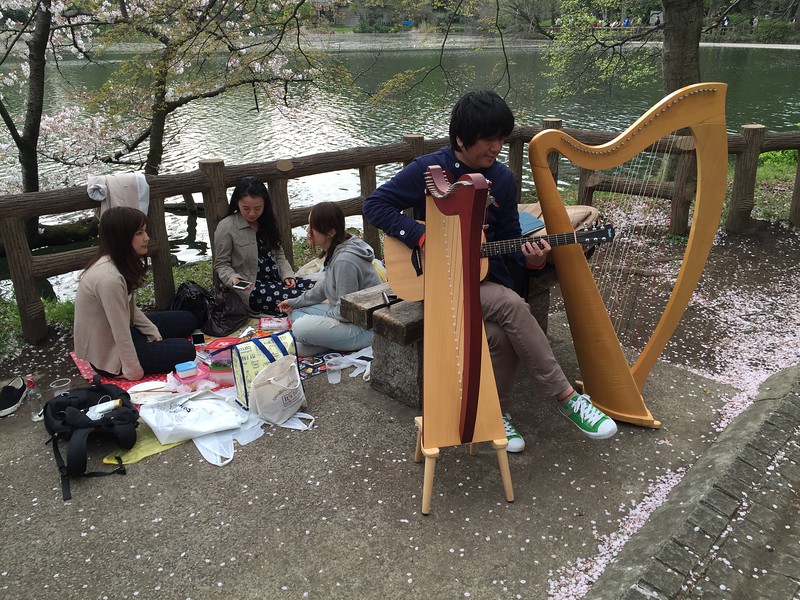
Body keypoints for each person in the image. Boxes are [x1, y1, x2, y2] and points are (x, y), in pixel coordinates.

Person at [362, 90, 617, 453]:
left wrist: (533, 260)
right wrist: (420, 236)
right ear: (461, 138)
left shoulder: (503, 179)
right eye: (488, 138)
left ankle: (496, 414)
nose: (497, 146)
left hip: (480, 284)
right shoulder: (428, 170)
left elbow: (509, 244)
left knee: (499, 335)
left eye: (501, 138)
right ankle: (566, 397)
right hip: (434, 284)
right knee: (513, 308)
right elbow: (375, 205)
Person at [74, 206, 197, 380]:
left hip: (126, 329)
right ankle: (128, 364)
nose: (146, 238)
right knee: (186, 351)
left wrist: (151, 330)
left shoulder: (118, 263)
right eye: (139, 233)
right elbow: (120, 331)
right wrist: (133, 371)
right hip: (110, 354)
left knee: (188, 319)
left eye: (145, 232)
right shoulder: (109, 278)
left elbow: (127, 310)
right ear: (121, 238)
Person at [277, 202, 382, 356]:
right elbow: (324, 287)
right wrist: (294, 302)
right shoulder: (337, 249)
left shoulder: (344, 261)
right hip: (348, 316)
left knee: (300, 328)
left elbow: (346, 312)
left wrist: (322, 320)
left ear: (331, 232)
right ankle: (332, 342)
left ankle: (333, 341)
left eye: (312, 226)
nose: (307, 230)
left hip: (364, 327)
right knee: (296, 312)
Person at [214, 176, 316, 315]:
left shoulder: (266, 221)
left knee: (319, 289)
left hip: (277, 279)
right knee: (299, 299)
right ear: (237, 202)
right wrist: (234, 280)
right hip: (252, 288)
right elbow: (221, 264)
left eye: (257, 208)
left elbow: (278, 253)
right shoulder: (227, 227)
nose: (252, 213)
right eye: (246, 208)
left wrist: (288, 275)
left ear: (265, 205)